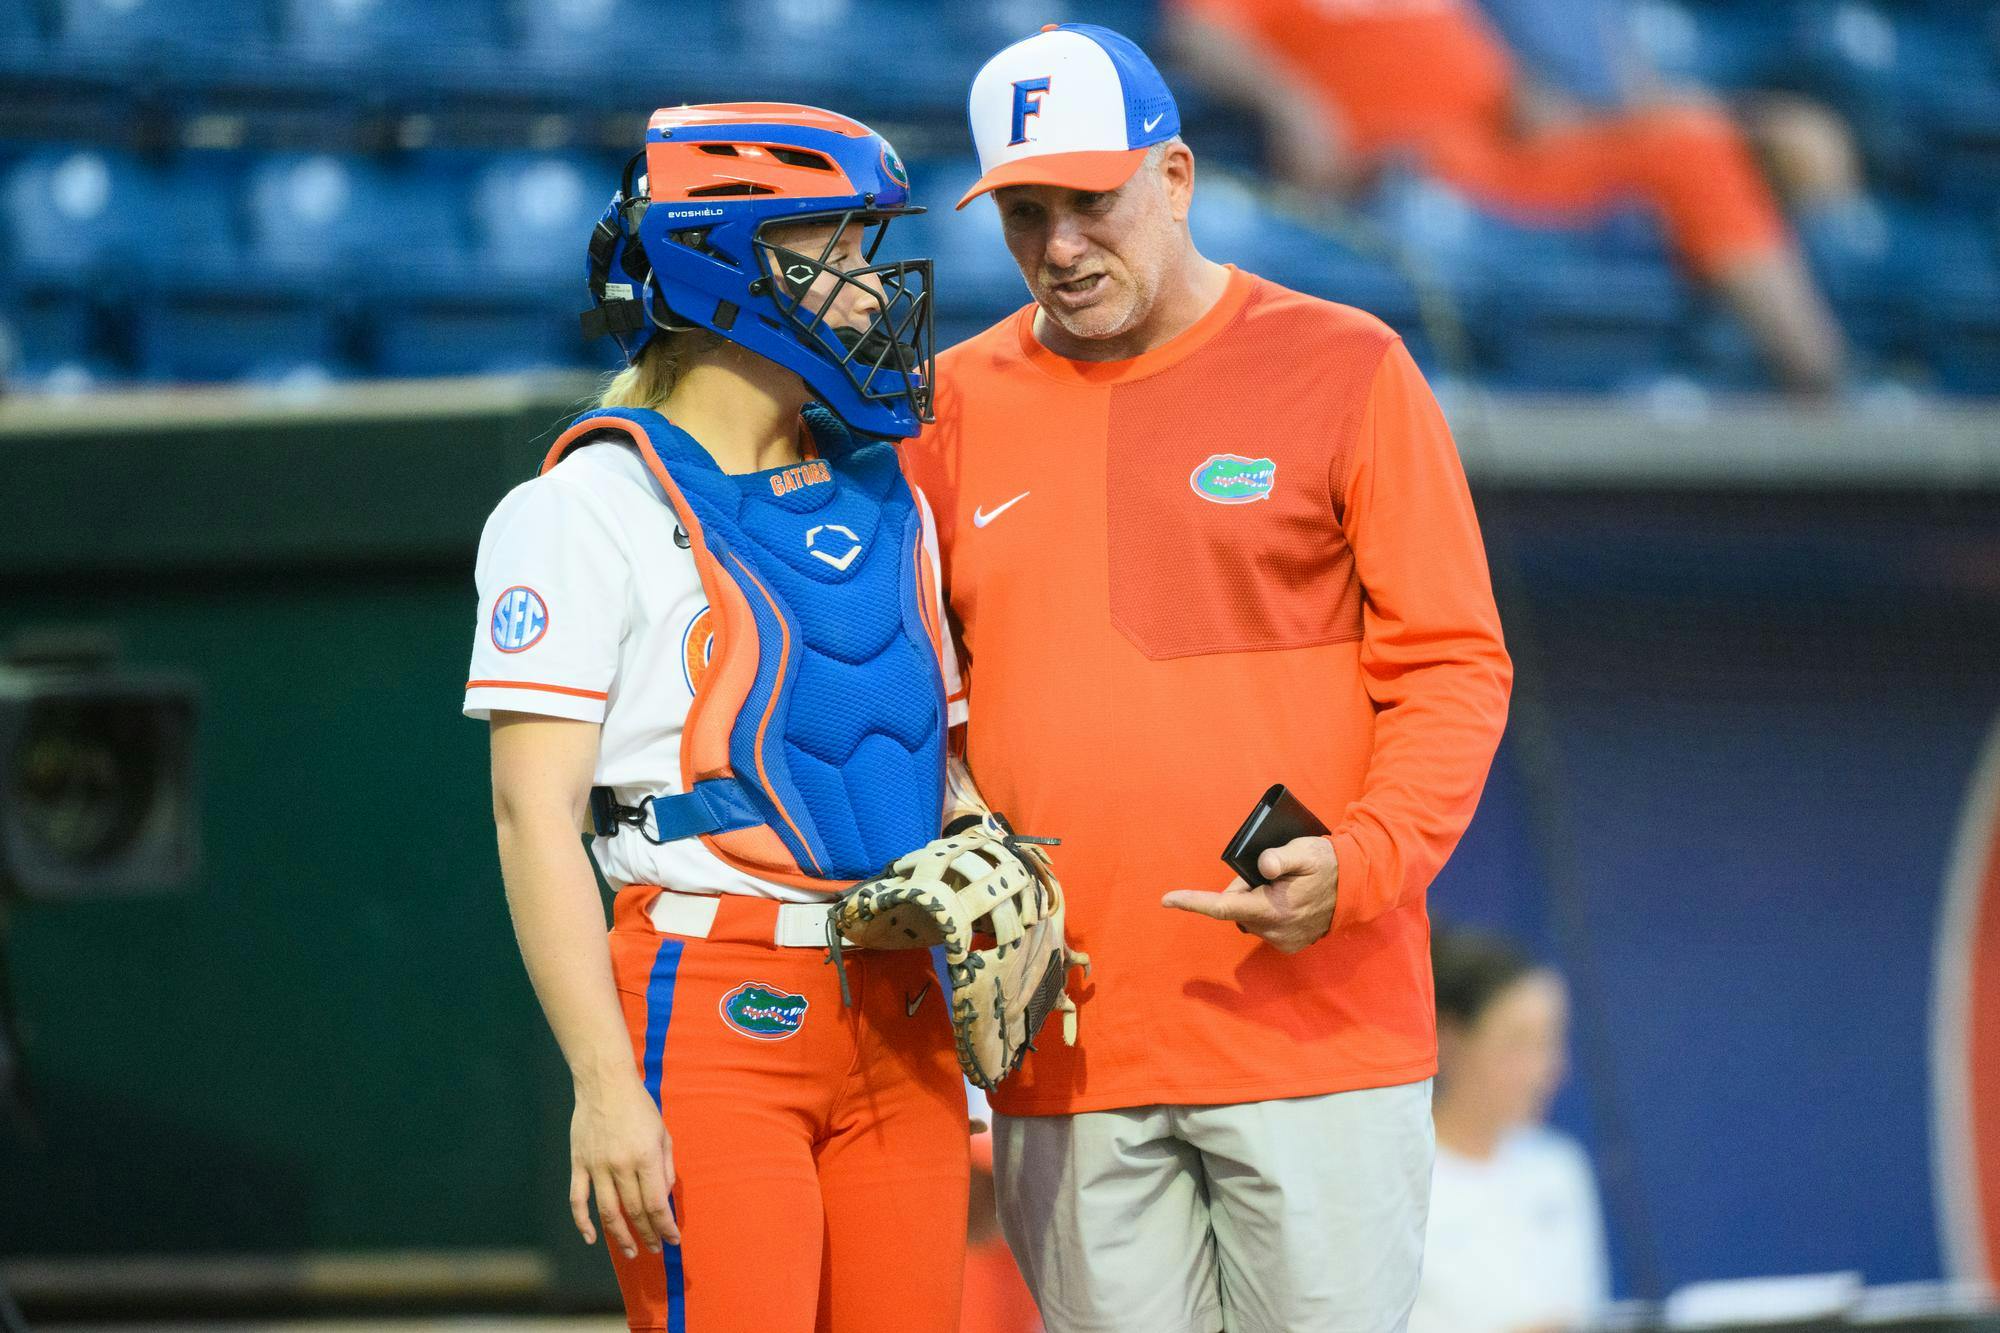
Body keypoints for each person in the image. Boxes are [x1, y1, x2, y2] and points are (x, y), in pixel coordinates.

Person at [907, 24, 1514, 1333]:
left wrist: (1362, 862)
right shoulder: (944, 413)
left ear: (1175, 176)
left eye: (1092, 201)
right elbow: (916, 703)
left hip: (1315, 1033)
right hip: (1065, 1047)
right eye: (1025, 212)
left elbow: (1453, 665)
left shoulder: (1347, 366)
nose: (1061, 245)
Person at [464, 103, 975, 1332]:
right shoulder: (581, 509)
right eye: (833, 251)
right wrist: (601, 1082)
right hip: (710, 1000)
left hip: (902, 1008)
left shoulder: (885, 485)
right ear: (727, 264)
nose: (867, 289)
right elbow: (531, 819)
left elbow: (935, 760)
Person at [1166, 0, 1850, 396]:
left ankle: (1829, 382)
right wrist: (1293, 104)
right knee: (1692, 147)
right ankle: (1821, 378)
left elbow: (1511, 88)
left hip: (1505, 158)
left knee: (1696, 144)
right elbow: (1199, 37)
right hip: (1412, 173)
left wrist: (1553, 107)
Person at [1411, 926, 1609, 1333]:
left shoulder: (1559, 1167)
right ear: (1449, 1039)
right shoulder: (1400, 1179)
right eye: (1517, 1043)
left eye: (1550, 1043)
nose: (1544, 1070)